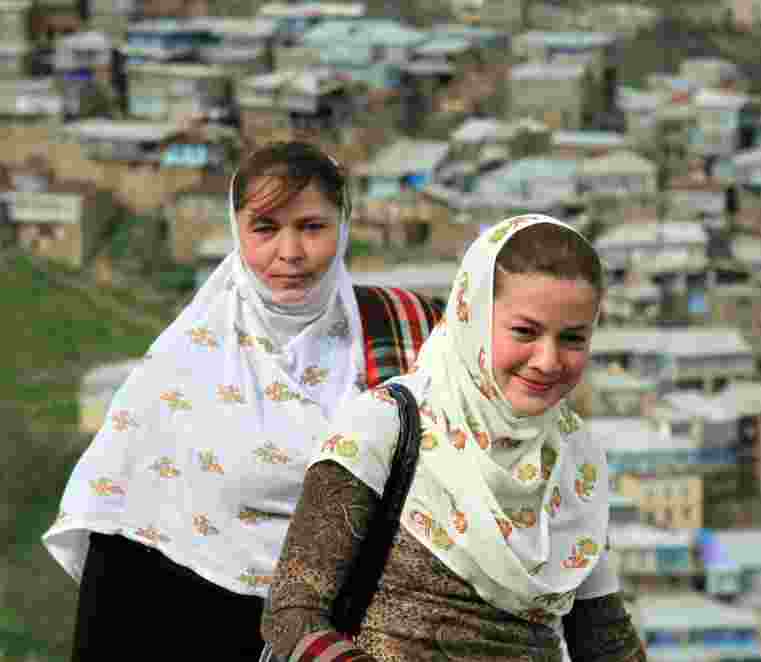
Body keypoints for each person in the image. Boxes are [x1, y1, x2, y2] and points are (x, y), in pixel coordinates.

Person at [42, 141, 442, 660]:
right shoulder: (182, 369)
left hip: (366, 630)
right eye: (266, 228)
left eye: (312, 227)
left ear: (343, 225)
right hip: (206, 625)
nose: (290, 252)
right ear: (238, 231)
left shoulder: (406, 333)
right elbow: (124, 545)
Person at [262, 214, 647, 662]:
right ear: (472, 315)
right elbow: (293, 615)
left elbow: (604, 639)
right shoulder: (388, 425)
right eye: (524, 331)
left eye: (573, 339)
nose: (548, 360)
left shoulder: (573, 460)